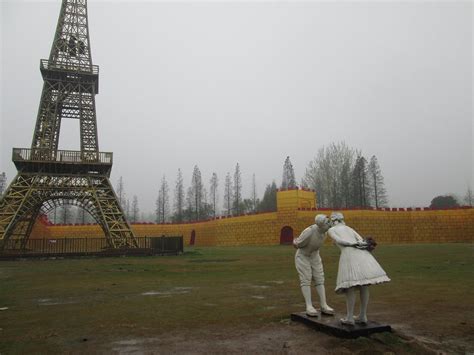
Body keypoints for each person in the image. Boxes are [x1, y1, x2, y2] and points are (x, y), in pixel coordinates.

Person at [327, 212, 390, 325]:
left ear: (333, 221)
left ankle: (350, 317)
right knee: (364, 285)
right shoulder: (349, 228)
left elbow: (339, 240)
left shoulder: (332, 230)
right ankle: (362, 315)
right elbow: (360, 240)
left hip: (349, 255)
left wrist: (352, 244)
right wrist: (358, 244)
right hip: (361, 254)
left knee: (351, 286)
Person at [293, 214, 335, 316]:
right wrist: (295, 241)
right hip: (303, 256)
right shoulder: (310, 231)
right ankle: (309, 306)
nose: (329, 225)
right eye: (327, 224)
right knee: (306, 279)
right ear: (320, 225)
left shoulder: (324, 233)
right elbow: (297, 244)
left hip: (315, 256)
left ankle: (324, 305)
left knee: (320, 279)